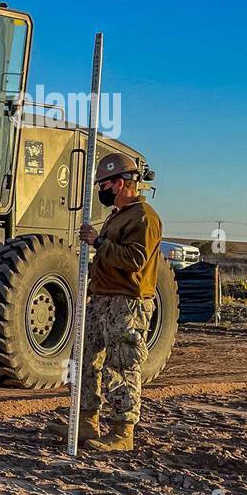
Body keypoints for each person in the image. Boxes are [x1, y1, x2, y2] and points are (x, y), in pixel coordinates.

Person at [71, 152, 163, 451]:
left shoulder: (144, 218)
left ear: (121, 183)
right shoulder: (119, 215)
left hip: (127, 304)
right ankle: (86, 421)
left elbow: (134, 259)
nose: (101, 191)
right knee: (88, 358)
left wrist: (98, 243)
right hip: (103, 298)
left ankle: (122, 431)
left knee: (121, 364)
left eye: (105, 185)